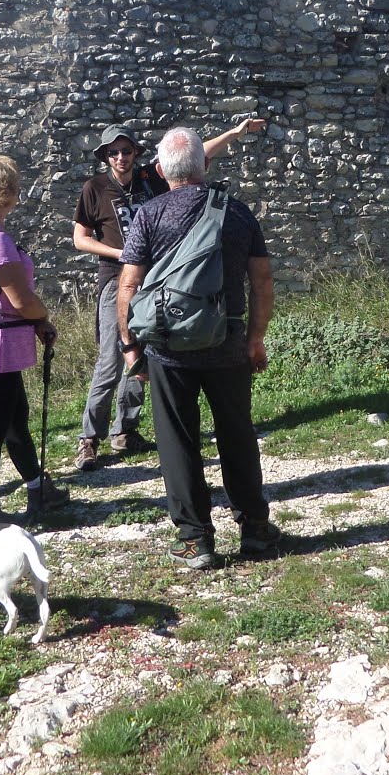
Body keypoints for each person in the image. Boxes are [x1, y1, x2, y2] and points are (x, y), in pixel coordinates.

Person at [114, 127, 280, 570]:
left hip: (168, 349)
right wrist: (255, 339)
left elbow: (128, 284)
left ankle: (194, 540)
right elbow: (261, 282)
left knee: (177, 441)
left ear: (163, 171)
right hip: (227, 342)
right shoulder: (238, 213)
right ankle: (255, 530)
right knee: (237, 434)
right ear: (204, 167)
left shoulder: (148, 215)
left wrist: (131, 347)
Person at [71, 117, 267, 472]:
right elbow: (79, 238)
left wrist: (234, 134)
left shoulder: (150, 179)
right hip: (117, 279)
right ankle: (89, 439)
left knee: (146, 352)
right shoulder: (95, 188)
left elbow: (191, 157)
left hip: (156, 283)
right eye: (113, 153)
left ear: (137, 154)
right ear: (105, 157)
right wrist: (127, 253)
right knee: (113, 358)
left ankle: (125, 430)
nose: (120, 158)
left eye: (126, 151)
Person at [0, 156, 69, 524]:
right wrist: (43, 319)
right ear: (6, 192)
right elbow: (21, 300)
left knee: (15, 418)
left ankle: (38, 489)